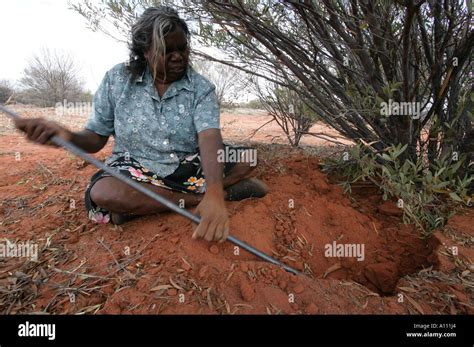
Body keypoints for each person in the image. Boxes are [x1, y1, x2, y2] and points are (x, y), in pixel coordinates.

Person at [14, 6, 268, 243]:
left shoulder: (200, 87)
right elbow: (95, 139)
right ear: (145, 53)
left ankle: (160, 202)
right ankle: (198, 199)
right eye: (167, 51)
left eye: (183, 48)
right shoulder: (117, 79)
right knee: (103, 193)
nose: (178, 57)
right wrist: (66, 135)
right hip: (135, 166)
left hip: (188, 163)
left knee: (249, 157)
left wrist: (212, 188)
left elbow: (209, 137)